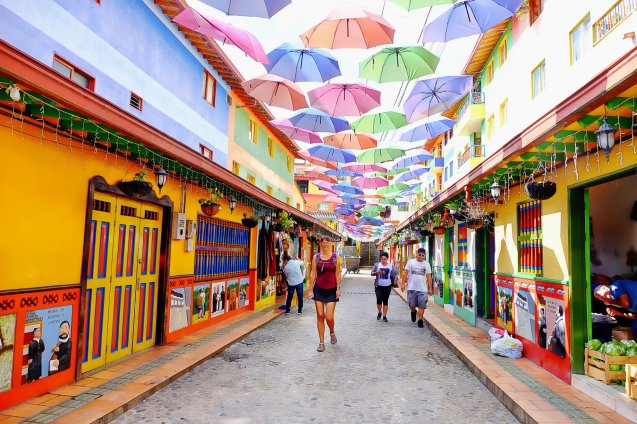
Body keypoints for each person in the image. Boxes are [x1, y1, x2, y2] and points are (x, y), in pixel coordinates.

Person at [307, 236, 342, 352]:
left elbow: (337, 274)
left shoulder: (336, 257)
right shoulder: (316, 257)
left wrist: (338, 288)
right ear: (320, 244)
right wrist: (310, 290)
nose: (325, 244)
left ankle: (332, 332)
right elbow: (313, 273)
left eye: (327, 242)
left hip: (331, 290)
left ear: (330, 243)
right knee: (320, 315)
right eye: (323, 242)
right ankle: (321, 343)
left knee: (329, 317)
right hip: (319, 289)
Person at [400, 248, 432, 328]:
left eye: (422, 255)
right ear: (416, 254)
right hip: (412, 288)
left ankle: (420, 320)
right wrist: (403, 284)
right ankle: (413, 311)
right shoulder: (411, 262)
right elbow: (405, 273)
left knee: (422, 305)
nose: (421, 256)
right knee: (412, 305)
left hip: (423, 289)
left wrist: (430, 288)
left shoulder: (427, 264)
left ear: (424, 255)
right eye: (419, 255)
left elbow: (429, 277)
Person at [371, 251, 397, 322]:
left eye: (385, 259)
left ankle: (385, 316)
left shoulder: (391, 266)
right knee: (379, 299)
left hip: (387, 286)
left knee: (385, 301)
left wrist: (395, 279)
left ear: (387, 259)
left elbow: (395, 275)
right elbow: (371, 273)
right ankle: (379, 312)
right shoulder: (377, 265)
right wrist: (376, 272)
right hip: (378, 286)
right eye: (382, 259)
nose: (383, 260)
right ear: (380, 259)